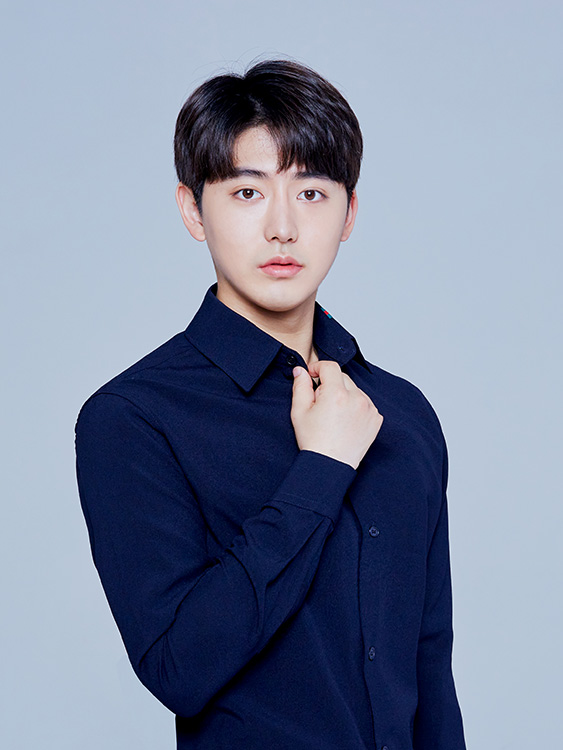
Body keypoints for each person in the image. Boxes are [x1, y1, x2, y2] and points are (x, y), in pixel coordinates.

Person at [75, 59, 466, 750]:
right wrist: (321, 470)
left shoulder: (402, 414)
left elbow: (429, 669)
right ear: (193, 209)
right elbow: (177, 668)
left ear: (348, 213)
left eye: (311, 193)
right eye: (248, 192)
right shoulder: (133, 418)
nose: (282, 227)